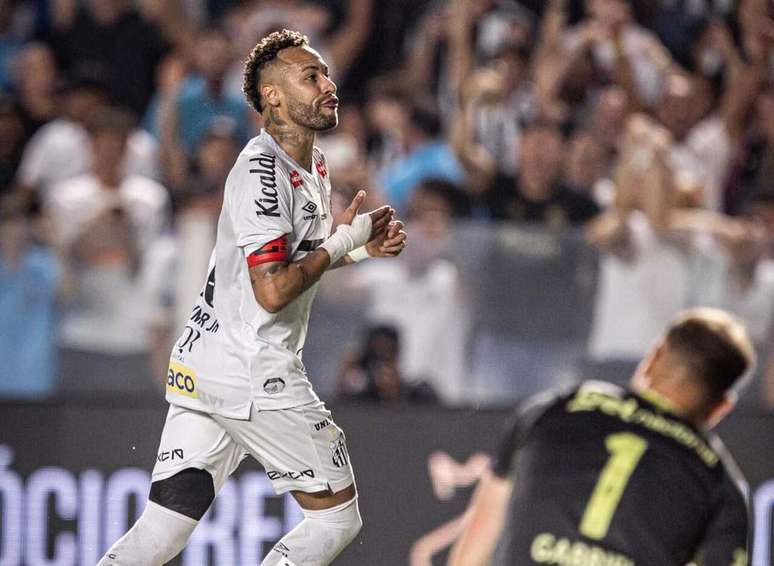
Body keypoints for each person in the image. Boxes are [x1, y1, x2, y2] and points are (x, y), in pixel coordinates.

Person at [98, 29, 407, 565]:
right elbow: (272, 292)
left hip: (206, 362)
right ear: (273, 96)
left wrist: (357, 251)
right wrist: (345, 239)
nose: (328, 84)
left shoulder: (311, 164)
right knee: (336, 517)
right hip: (251, 368)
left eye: (326, 73)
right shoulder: (262, 170)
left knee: (164, 529)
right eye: (311, 76)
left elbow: (292, 265)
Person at [449, 308, 754, 566]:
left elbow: (474, 546)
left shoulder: (554, 408)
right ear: (721, 407)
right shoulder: (720, 482)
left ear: (654, 356)